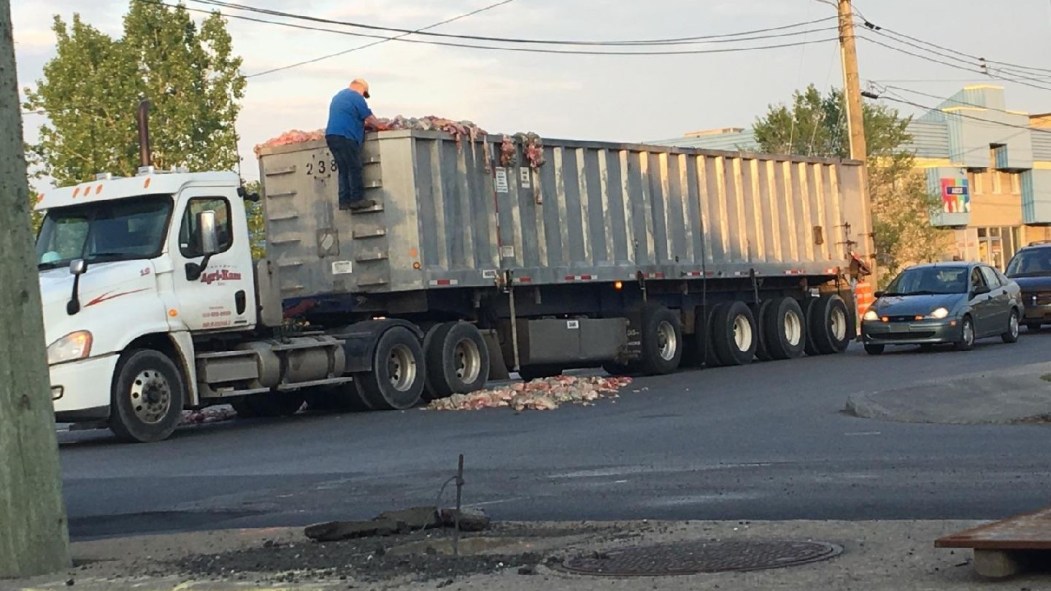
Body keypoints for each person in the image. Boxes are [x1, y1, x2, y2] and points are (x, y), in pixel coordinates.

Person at [325, 78, 387, 211]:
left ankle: (344, 201)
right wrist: (382, 127)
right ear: (362, 89)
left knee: (344, 168)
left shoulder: (338, 97)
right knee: (354, 167)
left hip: (332, 136)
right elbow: (369, 118)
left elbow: (349, 117)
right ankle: (357, 199)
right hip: (346, 137)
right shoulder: (356, 97)